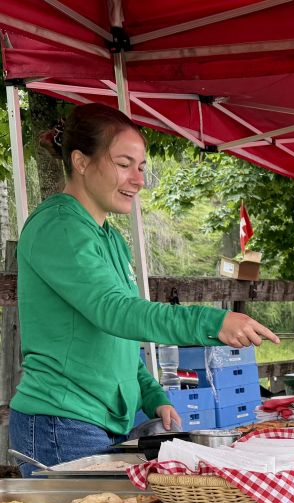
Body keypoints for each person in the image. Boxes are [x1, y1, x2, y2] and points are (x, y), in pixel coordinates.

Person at [9, 103, 278, 476]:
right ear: (81, 161)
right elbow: (115, 312)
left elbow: (117, 337)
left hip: (96, 421)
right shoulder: (59, 227)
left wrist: (152, 396)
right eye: (124, 164)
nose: (138, 179)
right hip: (61, 422)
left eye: (141, 167)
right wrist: (212, 321)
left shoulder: (110, 238)